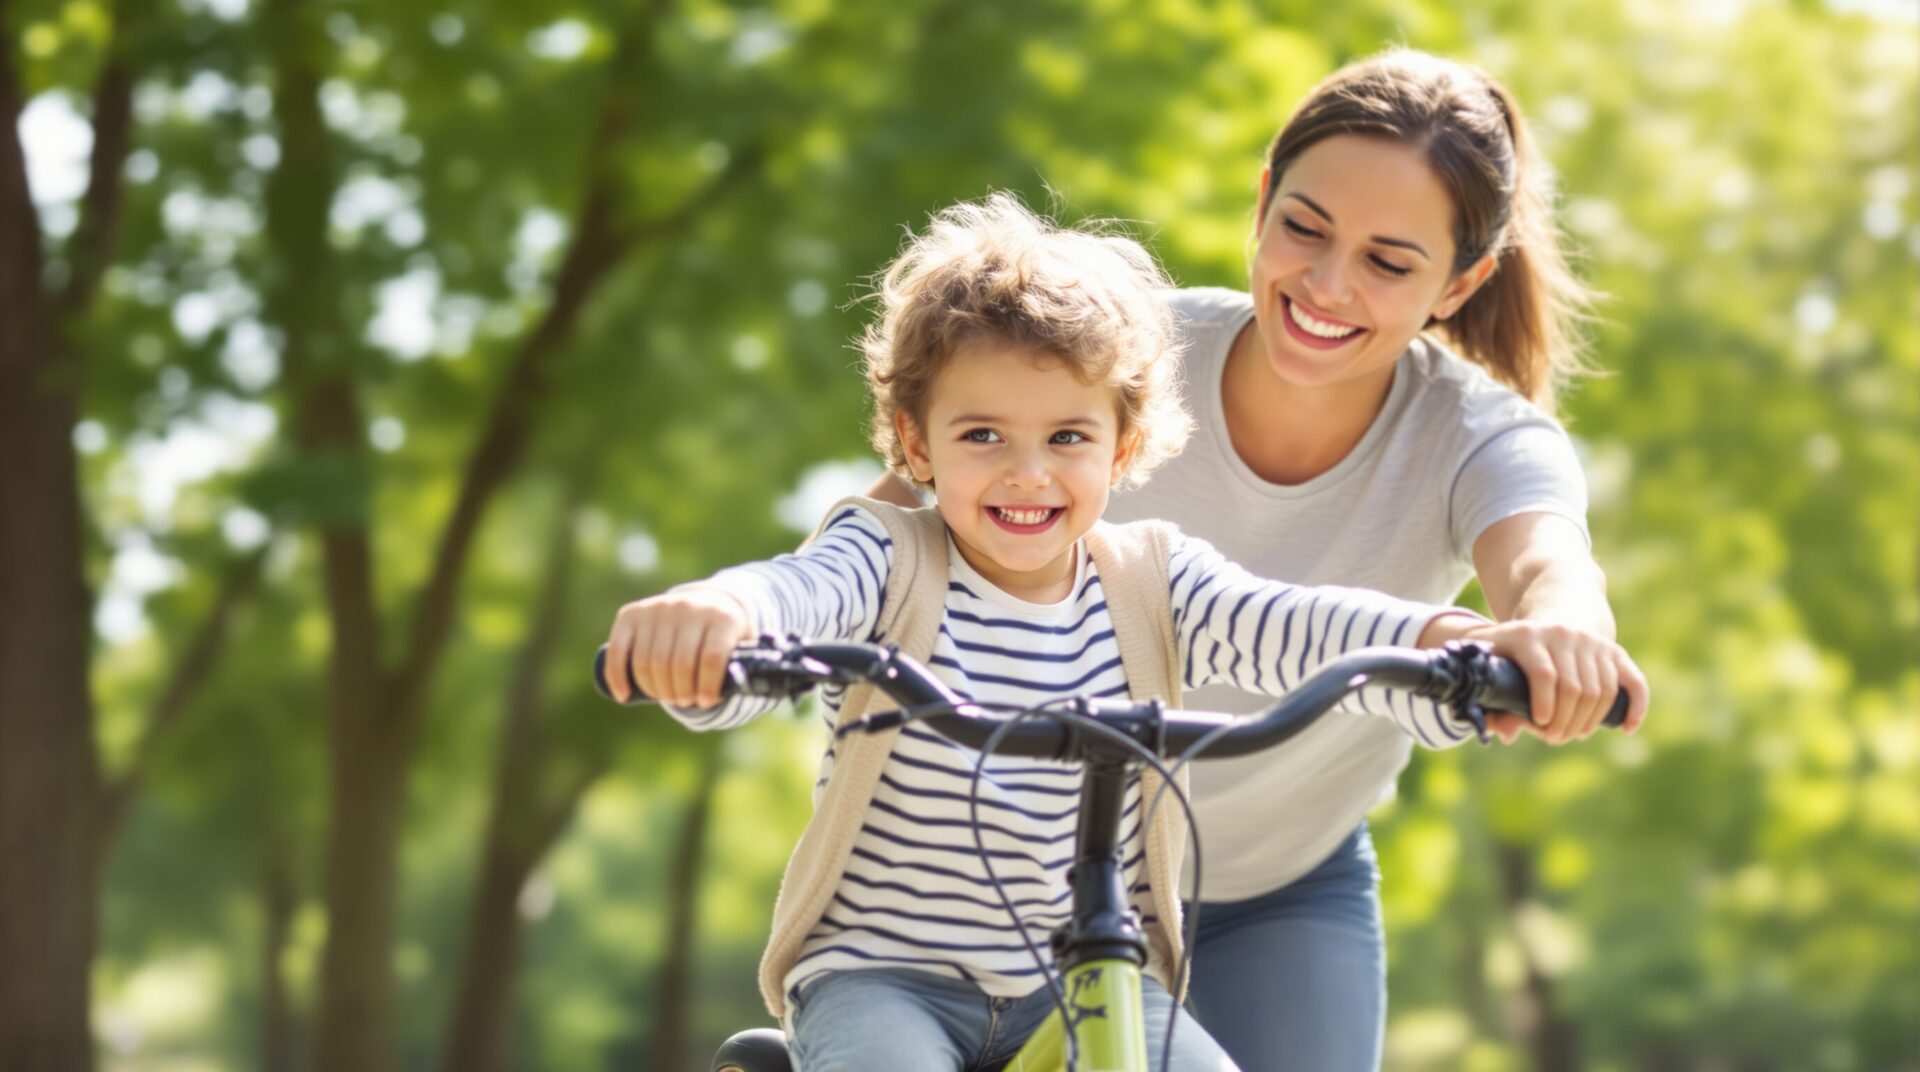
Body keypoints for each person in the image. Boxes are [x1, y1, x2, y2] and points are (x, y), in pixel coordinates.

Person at [606, 195, 1585, 1071]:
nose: (1028, 474)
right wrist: (719, 619)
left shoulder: (1154, 577)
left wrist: (1450, 644)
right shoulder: (888, 558)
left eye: (1067, 439)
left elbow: (1299, 624)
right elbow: (793, 593)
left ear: (1124, 449)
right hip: (884, 975)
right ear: (915, 443)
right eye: (983, 435)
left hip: (1079, 970)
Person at [860, 50, 1651, 1071]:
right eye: (1305, 229)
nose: (1326, 284)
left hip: (1279, 889)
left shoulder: (1478, 438)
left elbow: (1551, 566)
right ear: (1264, 198)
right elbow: (895, 521)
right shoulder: (1123, 359)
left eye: (1389, 262)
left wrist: (1562, 637)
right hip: (1013, 870)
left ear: (1460, 283)